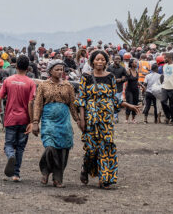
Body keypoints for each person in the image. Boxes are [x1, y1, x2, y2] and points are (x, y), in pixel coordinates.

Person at [75, 50, 141, 189]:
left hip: (106, 118)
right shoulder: (86, 77)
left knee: (106, 146)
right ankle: (85, 168)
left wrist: (129, 105)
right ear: (92, 61)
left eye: (102, 59)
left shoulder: (110, 77)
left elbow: (113, 98)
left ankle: (104, 178)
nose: (100, 62)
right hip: (91, 118)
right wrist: (82, 119)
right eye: (97, 59)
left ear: (106, 62)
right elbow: (81, 99)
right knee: (91, 149)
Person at [31, 60, 78, 187]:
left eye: (61, 69)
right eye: (57, 69)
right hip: (48, 120)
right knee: (50, 146)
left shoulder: (68, 86)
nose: (60, 72)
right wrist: (35, 122)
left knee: (63, 150)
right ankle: (45, 171)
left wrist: (78, 120)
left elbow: (73, 105)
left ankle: (58, 179)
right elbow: (38, 104)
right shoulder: (43, 85)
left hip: (64, 121)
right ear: (50, 71)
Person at [0, 55, 36, 182]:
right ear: (28, 68)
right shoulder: (30, 83)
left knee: (9, 145)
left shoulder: (8, 81)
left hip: (10, 118)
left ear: (16, 66)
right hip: (24, 119)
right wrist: (32, 121)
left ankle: (10, 155)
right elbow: (30, 103)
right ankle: (16, 174)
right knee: (20, 147)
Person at [106, 55, 127, 123]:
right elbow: (105, 76)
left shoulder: (122, 68)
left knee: (116, 102)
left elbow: (126, 77)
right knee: (110, 102)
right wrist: (114, 80)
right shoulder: (109, 68)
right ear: (113, 60)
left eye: (119, 59)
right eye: (116, 59)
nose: (118, 60)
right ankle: (110, 117)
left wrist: (121, 80)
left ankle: (115, 118)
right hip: (110, 88)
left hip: (119, 88)